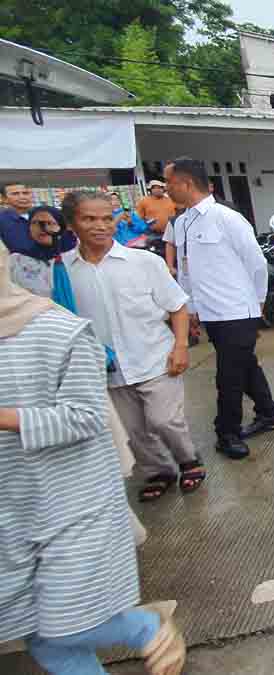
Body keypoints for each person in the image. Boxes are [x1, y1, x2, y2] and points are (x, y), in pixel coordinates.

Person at [0, 243, 187, 675]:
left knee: (66, 625)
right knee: (37, 634)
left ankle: (142, 626)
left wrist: (6, 418)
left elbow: (85, 416)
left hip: (69, 501)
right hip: (10, 506)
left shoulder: (59, 330)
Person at [59, 190, 204, 504]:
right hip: (107, 368)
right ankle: (158, 471)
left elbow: (177, 306)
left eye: (107, 218)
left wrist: (180, 347)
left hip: (155, 358)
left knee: (164, 420)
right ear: (71, 224)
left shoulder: (143, 262)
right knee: (133, 429)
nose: (100, 226)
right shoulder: (63, 271)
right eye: (89, 219)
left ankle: (188, 459)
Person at [165, 157, 274, 460]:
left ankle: (226, 432)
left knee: (228, 375)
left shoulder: (226, 218)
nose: (166, 189)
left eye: (169, 182)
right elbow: (186, 270)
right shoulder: (182, 222)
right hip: (210, 313)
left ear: (185, 183)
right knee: (244, 365)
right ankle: (269, 413)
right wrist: (190, 307)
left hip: (237, 311)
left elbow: (256, 263)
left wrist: (257, 302)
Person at [1, 183, 78, 263]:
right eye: (15, 194)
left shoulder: (48, 213)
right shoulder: (3, 221)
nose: (22, 197)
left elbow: (69, 240)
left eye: (26, 193)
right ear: (4, 199)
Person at [7, 205, 66, 298]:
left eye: (50, 222)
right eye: (35, 223)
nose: (42, 227)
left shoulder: (76, 256)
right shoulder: (15, 261)